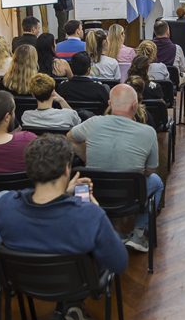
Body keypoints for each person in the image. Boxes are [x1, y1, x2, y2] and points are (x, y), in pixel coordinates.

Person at [0, 134, 127, 320]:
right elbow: (119, 262)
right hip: (78, 284)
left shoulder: (5, 205)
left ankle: (68, 307)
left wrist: (65, 193)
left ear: (29, 169)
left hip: (24, 282)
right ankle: (71, 304)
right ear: (66, 169)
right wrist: (100, 213)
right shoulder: (89, 215)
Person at [68, 85, 162, 252]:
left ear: (110, 103)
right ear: (135, 106)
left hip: (93, 192)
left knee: (79, 181)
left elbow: (70, 139)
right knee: (157, 182)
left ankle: (91, 229)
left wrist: (86, 158)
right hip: (131, 197)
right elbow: (151, 170)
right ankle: (139, 234)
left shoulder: (93, 123)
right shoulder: (148, 132)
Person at [152, 20, 185, 112]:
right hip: (171, 82)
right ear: (168, 31)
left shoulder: (148, 46)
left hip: (151, 80)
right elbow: (183, 68)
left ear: (155, 32)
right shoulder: (176, 48)